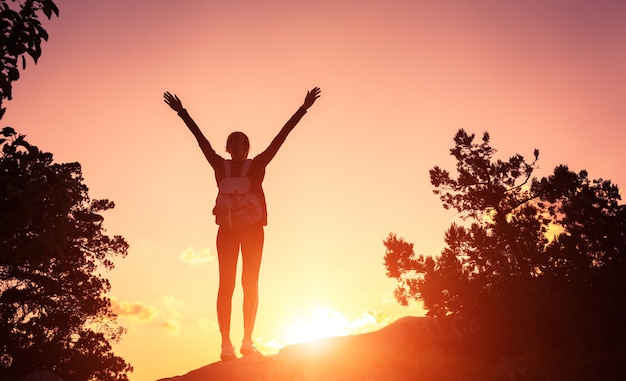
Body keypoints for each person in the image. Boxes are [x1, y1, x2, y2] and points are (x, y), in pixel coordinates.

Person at [163, 87, 321, 361]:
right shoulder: (257, 165)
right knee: (251, 283)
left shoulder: (219, 165)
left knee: (226, 285)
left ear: (228, 148)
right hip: (252, 232)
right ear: (247, 148)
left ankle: (226, 345)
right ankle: (247, 341)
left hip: (226, 231)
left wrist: (182, 113)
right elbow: (280, 138)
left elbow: (201, 141)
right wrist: (303, 108)